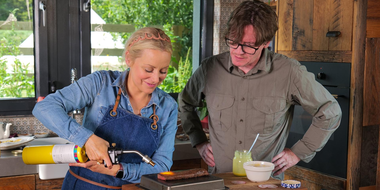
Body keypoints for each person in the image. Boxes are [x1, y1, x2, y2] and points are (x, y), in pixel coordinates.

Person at [178, 0, 342, 180]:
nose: (238, 51)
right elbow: (185, 103)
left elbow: (330, 112)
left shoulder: (289, 72)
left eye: (248, 45)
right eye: (233, 41)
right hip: (219, 181)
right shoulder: (209, 69)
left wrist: (299, 152)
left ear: (266, 42)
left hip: (266, 183)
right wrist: (199, 140)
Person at [32, 27, 178, 189]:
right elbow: (44, 107)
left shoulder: (168, 106)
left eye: (163, 71)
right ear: (129, 59)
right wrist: (87, 139)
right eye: (148, 70)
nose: (156, 78)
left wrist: (119, 170)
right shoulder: (100, 83)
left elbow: (162, 165)